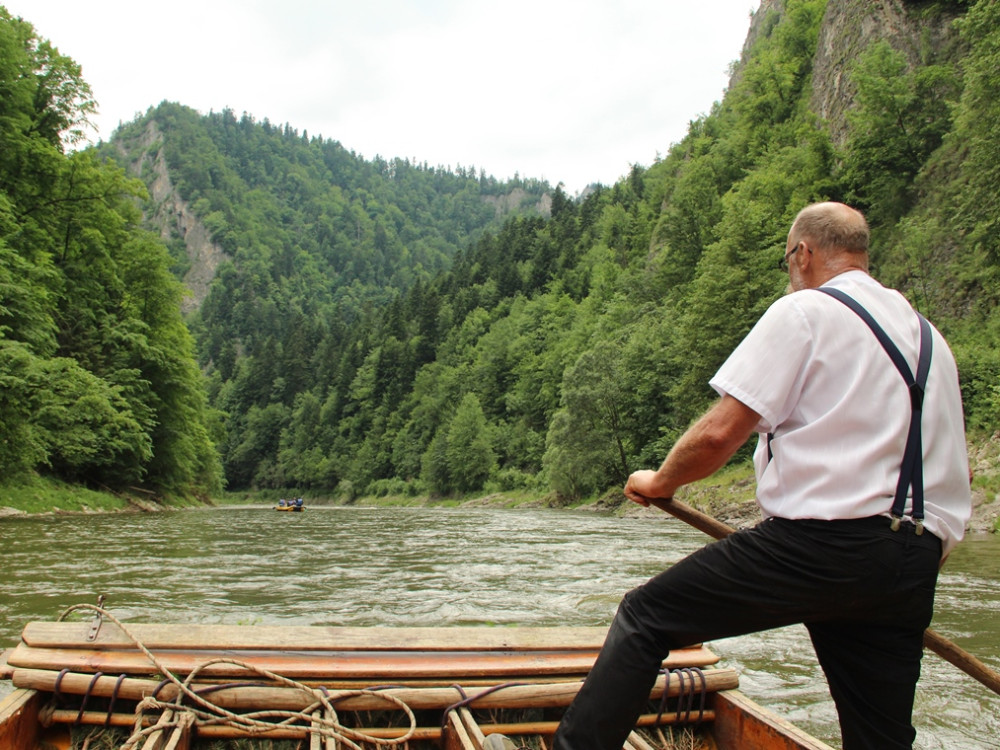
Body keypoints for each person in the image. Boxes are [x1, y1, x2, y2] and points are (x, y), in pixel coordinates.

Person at [550, 202, 972, 750]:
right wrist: (910, 564)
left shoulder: (805, 312)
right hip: (911, 559)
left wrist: (660, 483)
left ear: (802, 253)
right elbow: (948, 469)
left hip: (818, 546)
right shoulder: (932, 340)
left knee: (646, 616)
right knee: (880, 735)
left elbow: (718, 434)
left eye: (787, 260)